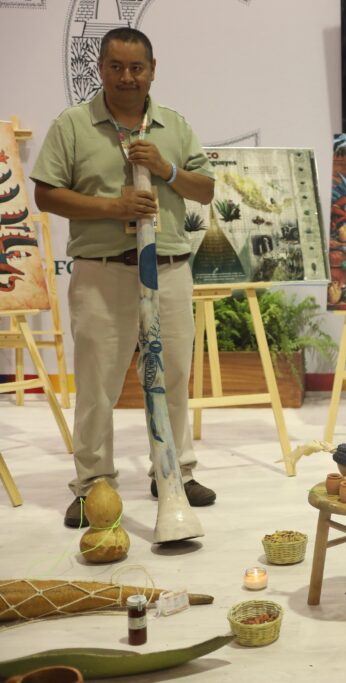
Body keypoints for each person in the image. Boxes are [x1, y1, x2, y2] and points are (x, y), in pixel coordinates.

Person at [31, 27, 217, 527]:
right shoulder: (73, 125)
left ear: (153, 70)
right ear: (101, 69)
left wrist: (166, 169)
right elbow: (46, 194)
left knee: (173, 375)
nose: (127, 77)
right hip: (103, 272)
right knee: (97, 383)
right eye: (116, 67)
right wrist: (114, 208)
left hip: (169, 269)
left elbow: (205, 190)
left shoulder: (174, 125)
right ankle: (93, 485)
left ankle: (174, 473)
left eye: (137, 67)